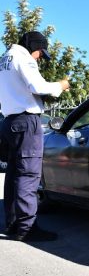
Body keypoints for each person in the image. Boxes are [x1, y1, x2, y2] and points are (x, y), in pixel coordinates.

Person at [0, 31, 70, 241]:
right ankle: (27, 228)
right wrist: (60, 86)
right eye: (40, 52)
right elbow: (37, 86)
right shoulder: (24, 58)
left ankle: (13, 224)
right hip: (26, 121)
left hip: (9, 121)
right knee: (28, 175)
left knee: (13, 174)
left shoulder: (5, 59)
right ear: (33, 46)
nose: (39, 56)